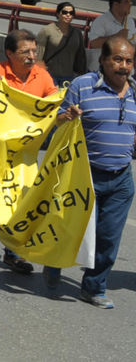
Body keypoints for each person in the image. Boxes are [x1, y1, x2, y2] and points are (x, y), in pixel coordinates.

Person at [48, 36, 136, 308]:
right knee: (72, 230)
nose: (124, 66)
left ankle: (94, 287)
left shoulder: (135, 91)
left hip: (121, 179)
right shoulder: (82, 86)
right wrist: (66, 117)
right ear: (102, 60)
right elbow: (57, 122)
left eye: (129, 61)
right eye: (118, 60)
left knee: (109, 237)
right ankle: (53, 263)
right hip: (84, 175)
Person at [0, 29, 57, 273]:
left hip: (24, 149)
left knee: (20, 197)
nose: (31, 56)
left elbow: (53, 104)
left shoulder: (42, 76)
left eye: (33, 51)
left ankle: (14, 251)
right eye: (24, 52)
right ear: (9, 53)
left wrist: (66, 113)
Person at [36, 1, 87, 86]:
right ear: (58, 14)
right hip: (49, 76)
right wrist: (40, 74)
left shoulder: (77, 33)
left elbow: (81, 56)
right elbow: (38, 55)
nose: (68, 15)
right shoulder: (47, 30)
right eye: (64, 12)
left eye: (71, 13)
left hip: (69, 77)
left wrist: (81, 74)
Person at [87, 0, 136, 71]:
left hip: (124, 71)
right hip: (102, 70)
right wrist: (117, 37)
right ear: (116, 4)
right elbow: (94, 43)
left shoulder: (130, 21)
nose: (130, 5)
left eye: (130, 2)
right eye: (126, 2)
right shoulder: (101, 21)